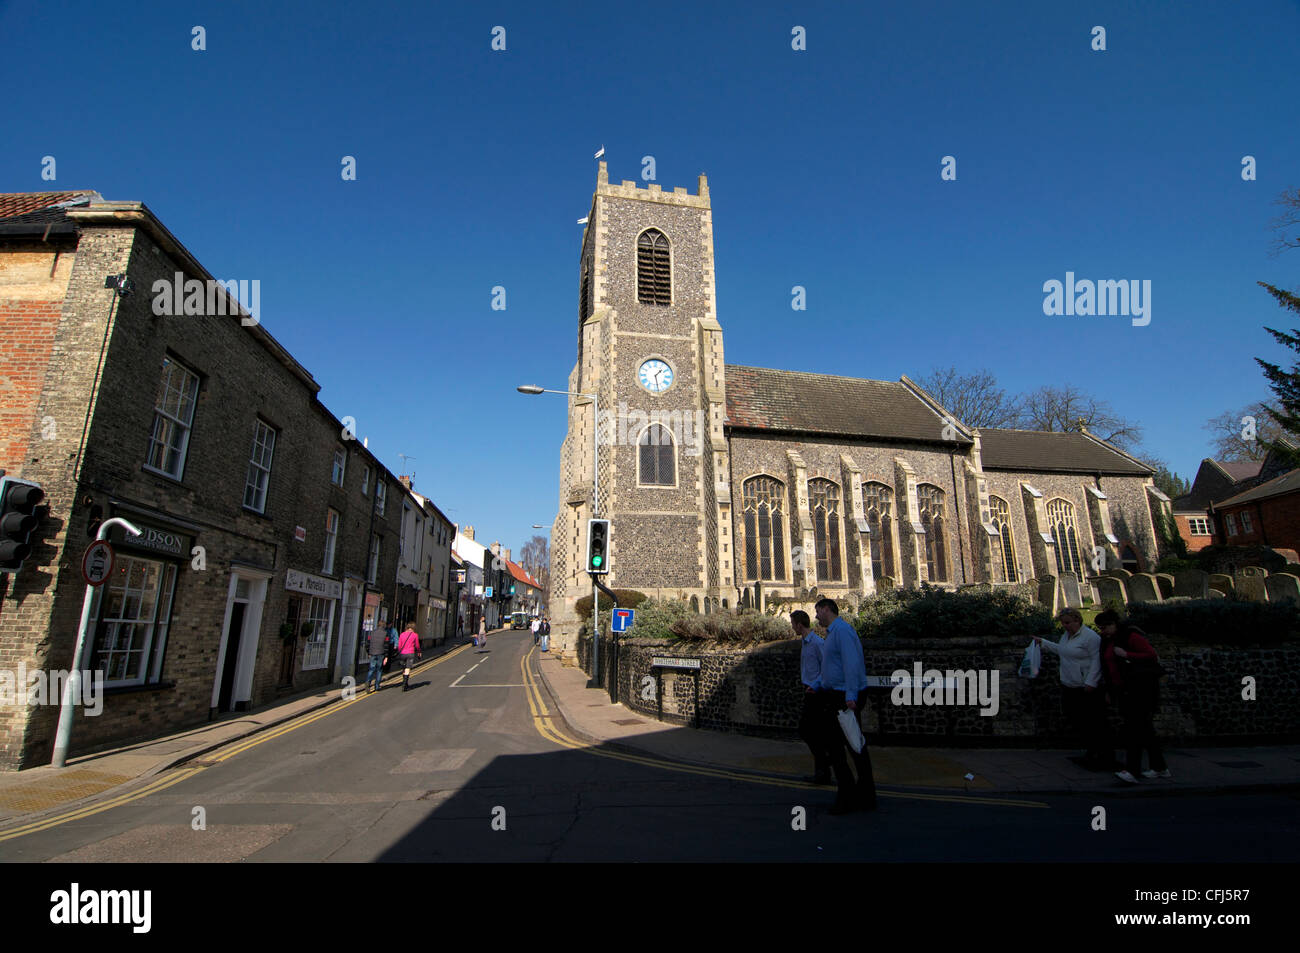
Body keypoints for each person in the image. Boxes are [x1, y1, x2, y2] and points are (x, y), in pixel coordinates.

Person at [811, 598, 877, 814]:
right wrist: (817, 684)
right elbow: (832, 666)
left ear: (827, 609)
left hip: (843, 697)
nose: (816, 616)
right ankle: (860, 795)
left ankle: (854, 797)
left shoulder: (842, 631)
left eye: (818, 611)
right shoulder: (832, 633)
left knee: (850, 747)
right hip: (835, 694)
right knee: (845, 747)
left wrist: (850, 694)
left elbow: (852, 664)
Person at [1095, 610, 1170, 784]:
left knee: (1134, 731)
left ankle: (1132, 770)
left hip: (1140, 690)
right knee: (1145, 731)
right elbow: (1108, 667)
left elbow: (1151, 655)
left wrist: (1127, 655)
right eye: (1100, 628)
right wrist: (1109, 690)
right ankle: (1160, 768)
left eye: (1105, 627)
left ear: (1115, 624)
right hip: (1123, 690)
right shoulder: (1108, 640)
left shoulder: (1130, 636)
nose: (1102, 631)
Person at [1035, 608, 1112, 770]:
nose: (1065, 626)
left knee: (1096, 722)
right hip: (1070, 685)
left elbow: (1097, 660)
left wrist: (1091, 681)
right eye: (1063, 623)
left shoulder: (1090, 637)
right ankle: (1091, 753)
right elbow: (1063, 651)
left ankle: (1105, 756)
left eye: (1068, 622)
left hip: (1087, 687)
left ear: (1078, 620)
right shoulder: (1066, 636)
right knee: (1080, 721)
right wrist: (1043, 643)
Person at [791, 610, 831, 785]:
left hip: (816, 692)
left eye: (793, 624)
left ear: (800, 625)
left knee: (807, 730)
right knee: (813, 732)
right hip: (808, 689)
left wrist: (815, 686)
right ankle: (822, 771)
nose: (792, 627)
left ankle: (825, 762)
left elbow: (827, 668)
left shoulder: (817, 643)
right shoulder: (805, 643)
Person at [397, 619, 422, 691]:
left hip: (402, 653)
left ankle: (404, 683)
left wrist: (399, 652)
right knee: (408, 668)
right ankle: (405, 684)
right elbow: (417, 645)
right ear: (413, 628)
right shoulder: (415, 635)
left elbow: (399, 646)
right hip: (410, 653)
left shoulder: (402, 634)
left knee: (404, 668)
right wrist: (419, 652)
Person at [365, 622, 388, 693]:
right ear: (384, 626)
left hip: (372, 653)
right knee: (379, 669)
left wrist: (368, 652)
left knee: (371, 669)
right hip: (381, 653)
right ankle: (377, 686)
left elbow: (367, 643)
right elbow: (386, 646)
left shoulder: (372, 633)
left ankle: (368, 682)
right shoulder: (385, 633)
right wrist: (386, 656)